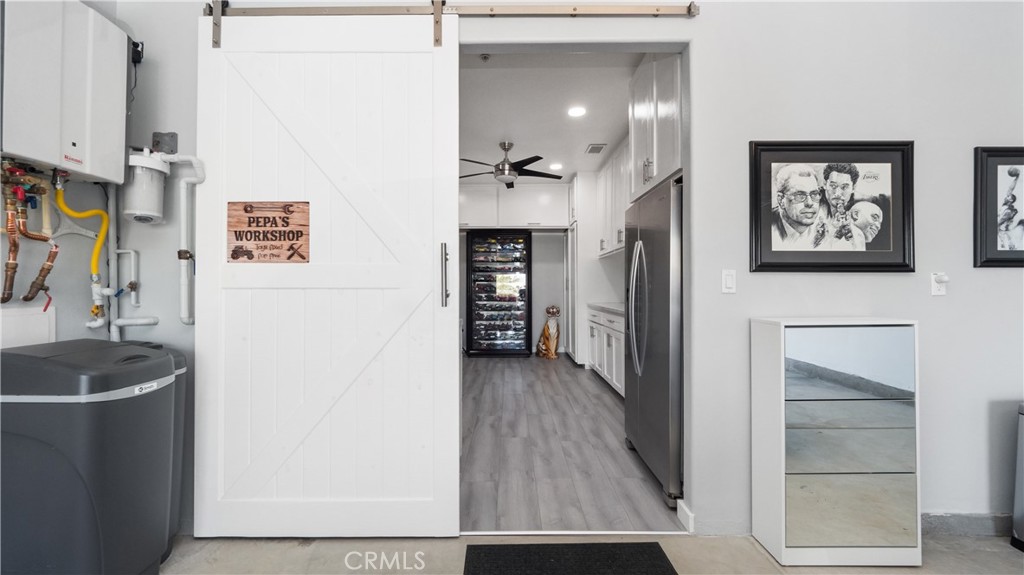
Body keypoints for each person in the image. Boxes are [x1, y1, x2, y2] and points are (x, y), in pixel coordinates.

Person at [770, 163, 826, 250]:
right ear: (781, 200)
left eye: (814, 194)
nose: (810, 203)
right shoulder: (766, 228)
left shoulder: (825, 228)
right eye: (800, 195)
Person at [816, 163, 866, 250]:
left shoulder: (857, 236)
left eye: (844, 187)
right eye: (833, 186)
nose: (838, 193)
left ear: (853, 188)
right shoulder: (809, 224)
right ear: (825, 184)